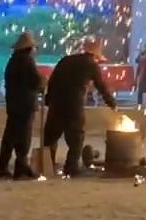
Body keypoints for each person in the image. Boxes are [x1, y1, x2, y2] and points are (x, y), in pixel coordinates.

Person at [43, 38, 116, 177]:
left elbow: (52, 80)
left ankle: (47, 165)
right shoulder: (91, 65)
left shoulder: (66, 60)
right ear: (95, 55)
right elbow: (101, 86)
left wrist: (49, 99)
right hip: (74, 105)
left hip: (56, 103)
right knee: (76, 139)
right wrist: (112, 103)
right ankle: (71, 168)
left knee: (50, 137)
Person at [0, 33, 43, 179]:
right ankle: (21, 167)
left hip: (13, 103)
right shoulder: (27, 61)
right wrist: (43, 81)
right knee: (24, 137)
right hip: (25, 104)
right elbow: (35, 82)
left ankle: (4, 167)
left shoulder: (13, 60)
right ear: (29, 48)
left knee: (10, 136)